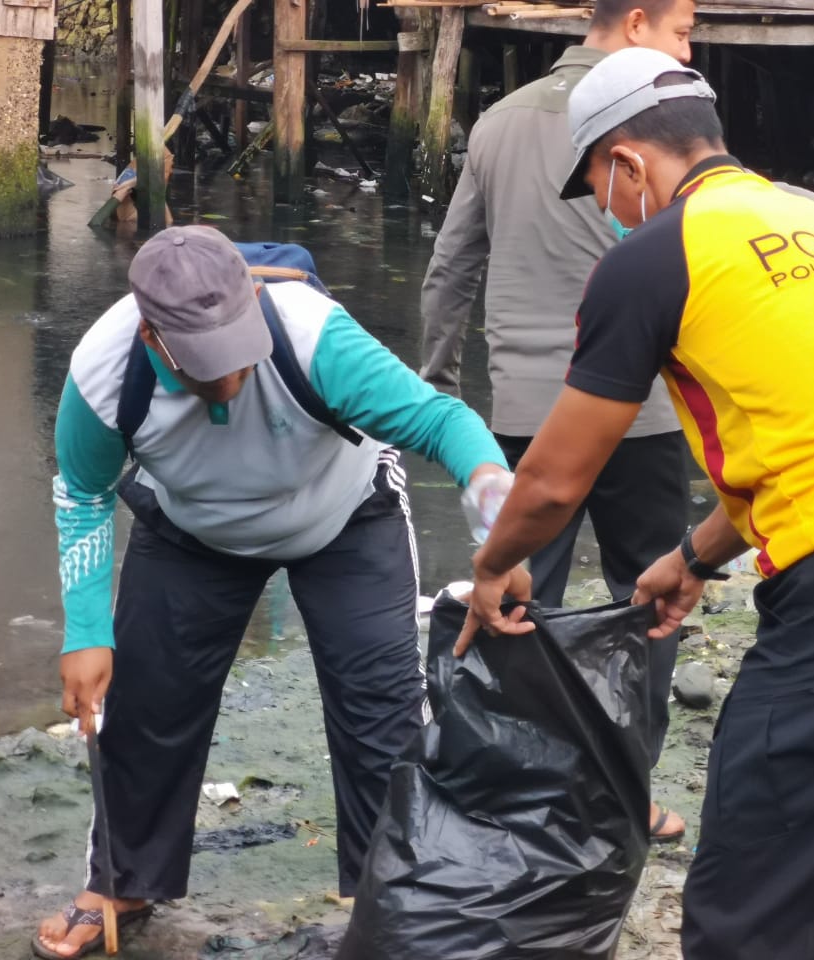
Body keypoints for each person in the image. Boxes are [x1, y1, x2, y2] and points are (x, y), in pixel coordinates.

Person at [456, 49, 814, 960]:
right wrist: (691, 558)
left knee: (744, 909)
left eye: (598, 186)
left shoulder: (652, 256)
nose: (606, 209)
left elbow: (555, 480)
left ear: (628, 164)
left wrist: (491, 567)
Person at [33, 226, 509, 960]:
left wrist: (498, 527)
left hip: (343, 513)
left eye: (237, 351)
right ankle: (123, 880)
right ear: (154, 339)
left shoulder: (314, 336)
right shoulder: (103, 371)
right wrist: (86, 631)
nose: (229, 376)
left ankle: (394, 897)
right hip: (193, 526)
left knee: (381, 708)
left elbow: (444, 422)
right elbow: (83, 495)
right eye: (205, 362)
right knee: (147, 702)